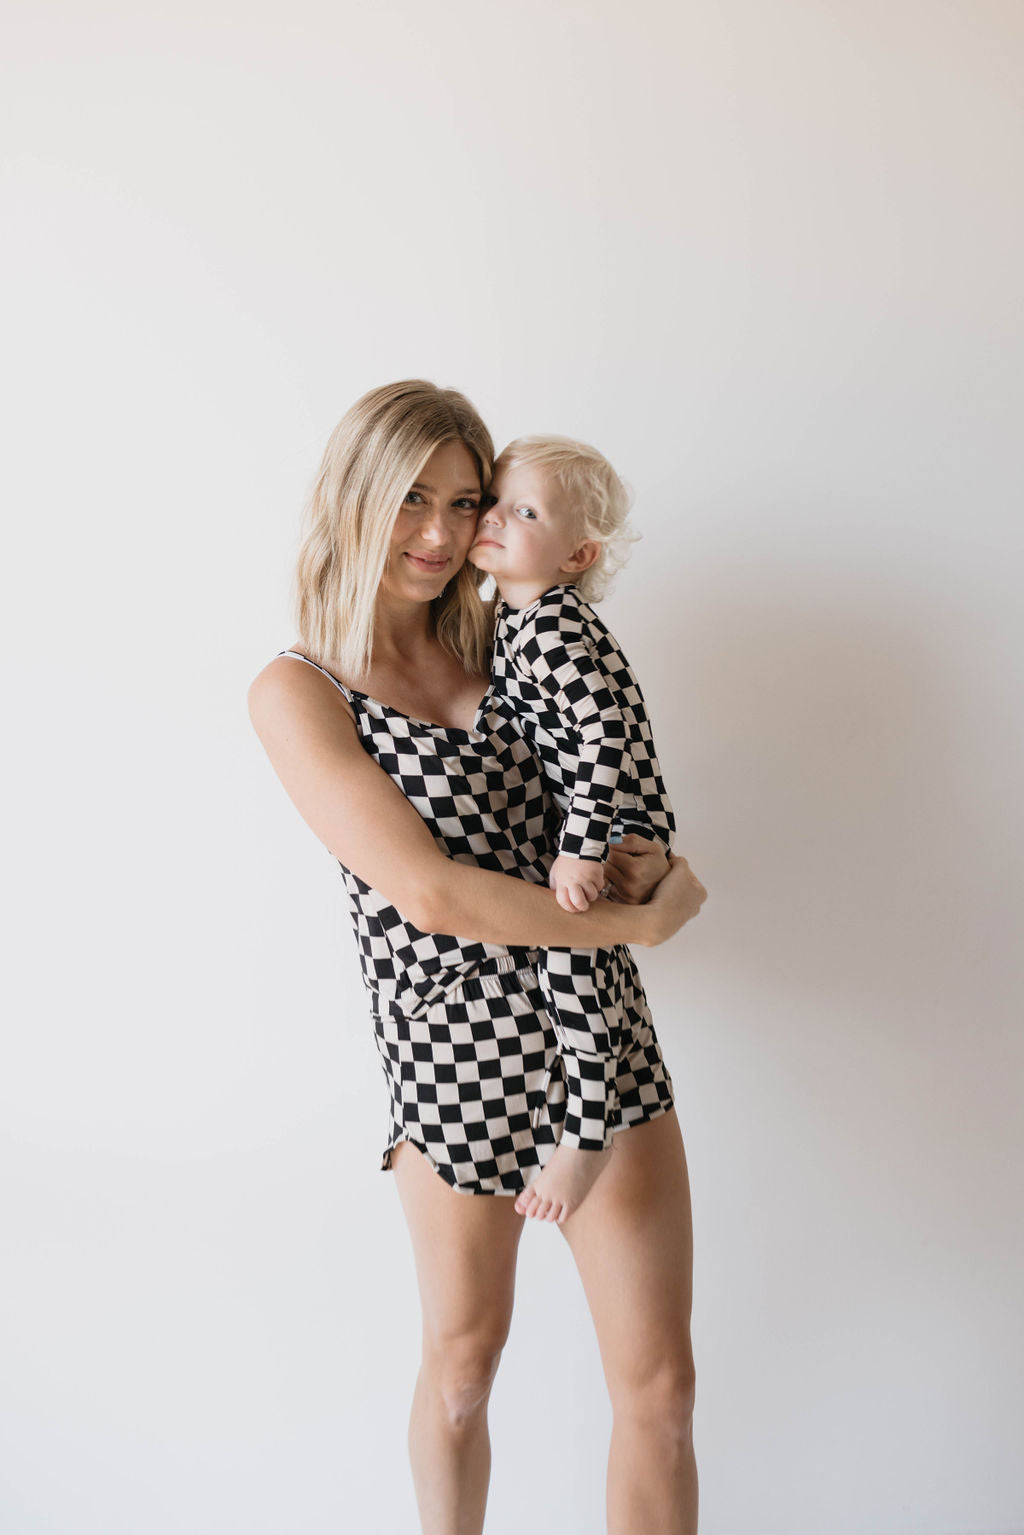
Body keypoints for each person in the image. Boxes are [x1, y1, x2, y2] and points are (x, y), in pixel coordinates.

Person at [248, 379, 707, 1535]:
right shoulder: (300, 690)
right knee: (461, 1368)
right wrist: (635, 926)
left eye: (467, 502)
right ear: (354, 497)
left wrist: (654, 867)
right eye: (413, 500)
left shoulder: (517, 635)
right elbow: (432, 893)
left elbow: (613, 792)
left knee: (660, 1388)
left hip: (599, 1042)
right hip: (455, 1062)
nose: (444, 533)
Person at [467, 434, 675, 1223]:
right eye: (492, 501)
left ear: (575, 554)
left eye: (524, 511)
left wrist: (584, 844)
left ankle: (588, 1128)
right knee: (577, 955)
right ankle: (588, 1113)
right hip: (590, 812)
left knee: (570, 949)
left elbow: (604, 735)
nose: (492, 518)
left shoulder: (552, 626)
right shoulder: (515, 617)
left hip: (614, 817)